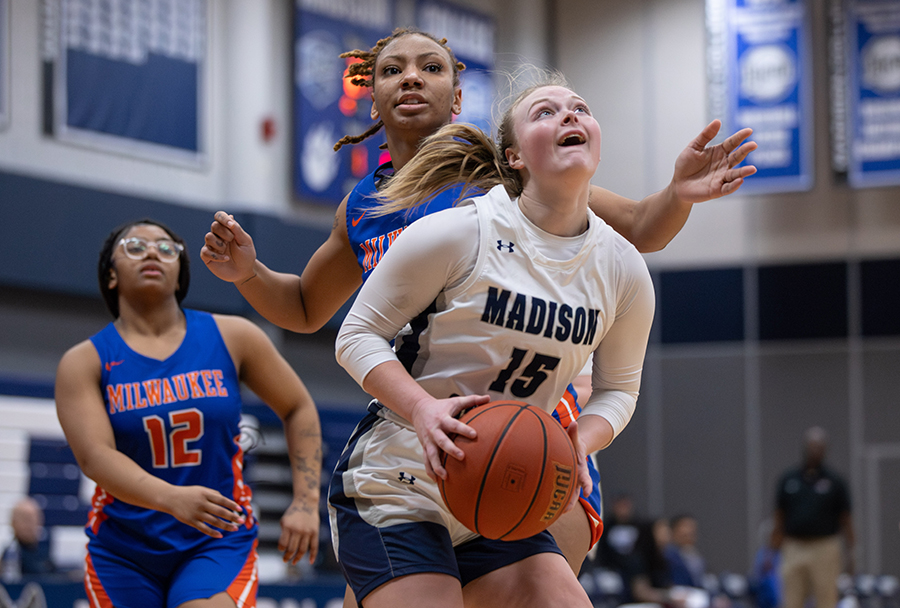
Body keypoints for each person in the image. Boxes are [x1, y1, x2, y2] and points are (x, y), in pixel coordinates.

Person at [201, 28, 758, 582]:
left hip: (530, 409)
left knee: (538, 575)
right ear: (371, 96)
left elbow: (638, 227)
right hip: (418, 409)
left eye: (431, 67)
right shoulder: (364, 204)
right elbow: (304, 308)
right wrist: (248, 274)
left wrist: (677, 196)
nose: (412, 77)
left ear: (458, 99)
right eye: (392, 70)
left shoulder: (500, 171)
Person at [325, 71, 657, 607]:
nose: (569, 115)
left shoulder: (623, 269)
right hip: (400, 477)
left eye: (579, 107)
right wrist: (424, 411)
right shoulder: (459, 232)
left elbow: (619, 390)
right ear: (515, 156)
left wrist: (579, 442)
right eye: (545, 112)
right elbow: (357, 335)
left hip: (504, 482)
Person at [54, 219, 323, 608]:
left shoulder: (234, 336)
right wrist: (172, 498)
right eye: (134, 246)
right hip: (124, 549)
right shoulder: (84, 361)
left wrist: (304, 501)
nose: (151, 252)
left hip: (216, 537)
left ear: (181, 271)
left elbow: (298, 407)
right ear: (110, 275)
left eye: (166, 248)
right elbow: (95, 456)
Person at [770, 426, 855, 608]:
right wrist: (771, 551)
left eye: (820, 446)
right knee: (791, 600)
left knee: (826, 600)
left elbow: (846, 518)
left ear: (825, 450)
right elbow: (779, 517)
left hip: (824, 546)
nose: (815, 450)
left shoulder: (835, 481)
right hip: (793, 546)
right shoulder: (788, 479)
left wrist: (852, 551)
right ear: (805, 447)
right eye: (812, 445)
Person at [0, 497, 56, 582]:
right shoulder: (12, 553)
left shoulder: (43, 551)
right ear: (13, 522)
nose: (30, 525)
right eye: (25, 519)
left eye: (34, 519)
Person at [665, 514, 705, 588]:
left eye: (693, 529)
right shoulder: (667, 555)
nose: (690, 530)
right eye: (686, 526)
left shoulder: (695, 556)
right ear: (673, 531)